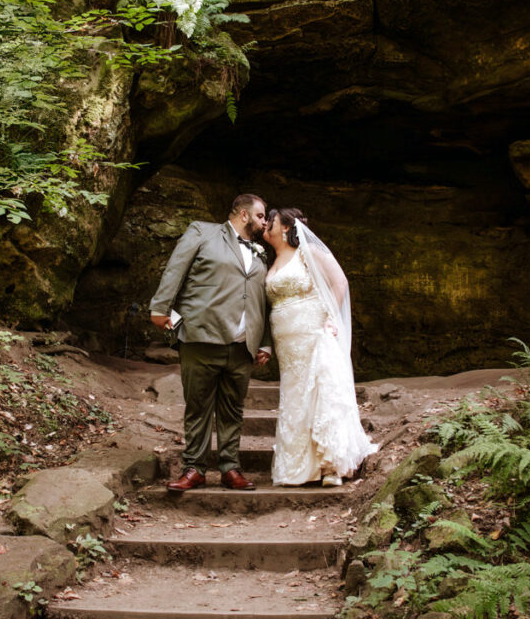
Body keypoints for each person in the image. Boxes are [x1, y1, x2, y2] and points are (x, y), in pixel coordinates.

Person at [149, 194, 273, 491]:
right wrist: (160, 308)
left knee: (233, 408)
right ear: (243, 215)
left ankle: (231, 468)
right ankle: (195, 468)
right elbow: (175, 269)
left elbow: (262, 301)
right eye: (260, 216)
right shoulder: (202, 232)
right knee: (198, 406)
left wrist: (264, 342)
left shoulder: (261, 254)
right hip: (200, 336)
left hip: (242, 345)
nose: (265, 222)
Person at [262, 208, 377, 487]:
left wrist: (330, 319)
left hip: (313, 330)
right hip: (286, 342)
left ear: (287, 227)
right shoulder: (272, 259)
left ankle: (329, 465)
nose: (265, 224)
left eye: (271, 221)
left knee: (319, 390)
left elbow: (339, 282)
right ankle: (299, 466)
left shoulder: (309, 252)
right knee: (295, 396)